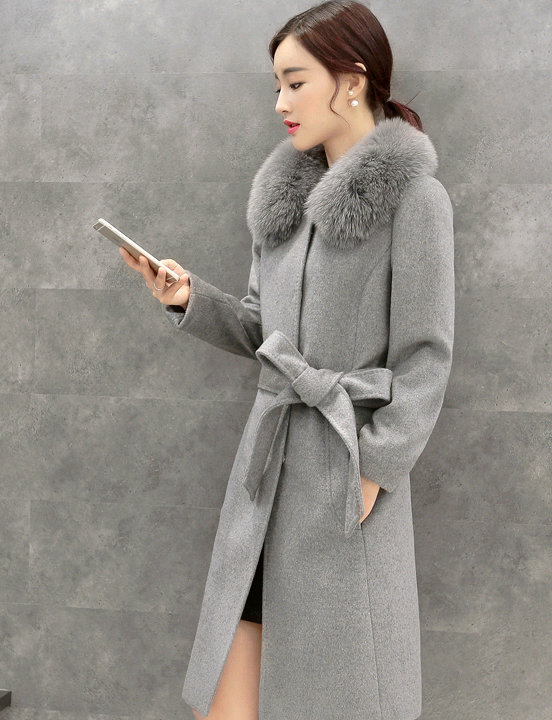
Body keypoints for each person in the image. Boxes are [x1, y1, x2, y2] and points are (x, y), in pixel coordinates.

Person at [120, 1, 454, 718]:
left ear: (352, 81)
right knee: (229, 694)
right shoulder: (281, 205)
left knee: (335, 693)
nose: (280, 103)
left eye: (295, 83)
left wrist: (373, 469)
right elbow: (259, 329)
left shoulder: (415, 201)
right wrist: (187, 297)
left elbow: (426, 357)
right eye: (277, 85)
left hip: (341, 470)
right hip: (267, 468)